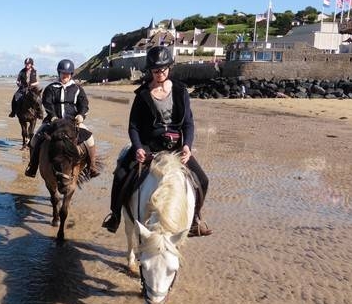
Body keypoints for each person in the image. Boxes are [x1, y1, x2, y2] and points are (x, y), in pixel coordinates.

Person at [101, 46, 212, 236]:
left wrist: (187, 146)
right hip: (149, 146)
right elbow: (133, 127)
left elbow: (188, 123)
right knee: (120, 175)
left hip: (176, 149)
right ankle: (115, 215)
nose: (160, 73)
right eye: (155, 70)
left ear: (169, 67)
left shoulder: (180, 91)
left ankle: (195, 219)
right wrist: (137, 148)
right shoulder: (142, 94)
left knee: (202, 179)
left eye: (163, 69)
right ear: (150, 71)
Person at [24, 59, 100, 178]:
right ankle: (32, 167)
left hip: (72, 122)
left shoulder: (78, 89)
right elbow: (47, 103)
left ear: (71, 74)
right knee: (35, 140)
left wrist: (81, 115)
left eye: (67, 73)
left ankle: (92, 167)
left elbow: (84, 104)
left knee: (90, 139)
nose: (65, 75)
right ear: (59, 73)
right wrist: (53, 116)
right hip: (53, 121)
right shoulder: (51, 88)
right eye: (63, 73)